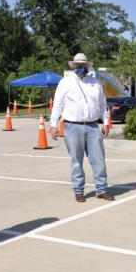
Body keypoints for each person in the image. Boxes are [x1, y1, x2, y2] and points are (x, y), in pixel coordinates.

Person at [50, 53, 114, 202]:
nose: (80, 67)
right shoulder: (65, 82)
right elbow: (58, 104)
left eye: (83, 65)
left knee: (99, 160)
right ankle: (79, 191)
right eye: (77, 65)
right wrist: (53, 125)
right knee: (76, 160)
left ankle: (101, 189)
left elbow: (103, 104)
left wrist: (105, 121)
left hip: (92, 126)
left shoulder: (95, 82)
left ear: (87, 66)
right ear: (73, 66)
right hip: (72, 126)